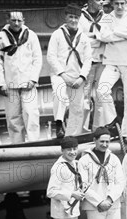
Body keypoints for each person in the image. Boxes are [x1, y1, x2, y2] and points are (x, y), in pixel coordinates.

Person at [0, 10, 42, 144]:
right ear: (8, 20)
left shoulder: (31, 35)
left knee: (31, 114)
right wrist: (1, 83)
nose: (16, 23)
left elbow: (37, 59)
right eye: (13, 20)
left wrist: (33, 79)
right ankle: (17, 146)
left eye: (19, 20)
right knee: (13, 118)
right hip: (11, 84)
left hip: (28, 84)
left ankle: (34, 144)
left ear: (23, 20)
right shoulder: (1, 37)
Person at [95, 0, 127, 138]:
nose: (119, 7)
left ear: (125, 3)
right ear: (112, 5)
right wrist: (126, 35)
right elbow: (103, 36)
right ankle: (113, 121)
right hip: (112, 61)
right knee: (102, 90)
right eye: (116, 4)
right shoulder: (106, 18)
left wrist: (115, 32)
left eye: (122, 3)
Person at [47, 4, 92, 138]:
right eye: (71, 17)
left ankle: (71, 135)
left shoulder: (83, 37)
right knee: (60, 93)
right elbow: (51, 56)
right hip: (60, 75)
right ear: (65, 17)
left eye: (76, 17)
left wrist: (82, 77)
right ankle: (59, 124)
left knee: (78, 108)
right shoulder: (57, 34)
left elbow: (88, 59)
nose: (73, 20)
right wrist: (62, 74)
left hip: (77, 76)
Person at [79, 127, 125, 219]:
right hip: (94, 205)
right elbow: (83, 184)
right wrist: (99, 202)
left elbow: (120, 181)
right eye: (102, 141)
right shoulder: (84, 160)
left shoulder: (114, 159)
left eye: (107, 142)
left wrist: (110, 199)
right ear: (95, 140)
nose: (105, 144)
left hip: (112, 204)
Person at [47, 136, 85, 219]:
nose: (72, 152)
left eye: (75, 149)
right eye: (69, 149)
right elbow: (50, 191)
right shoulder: (58, 167)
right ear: (62, 151)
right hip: (61, 213)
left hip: (73, 211)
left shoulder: (75, 163)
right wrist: (72, 194)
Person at [79, 0, 106, 133]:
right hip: (86, 62)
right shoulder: (80, 17)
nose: (101, 1)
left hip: (102, 61)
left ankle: (98, 130)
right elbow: (79, 39)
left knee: (101, 96)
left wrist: (95, 36)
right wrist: (98, 38)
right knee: (84, 98)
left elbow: (107, 36)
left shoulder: (106, 16)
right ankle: (82, 129)